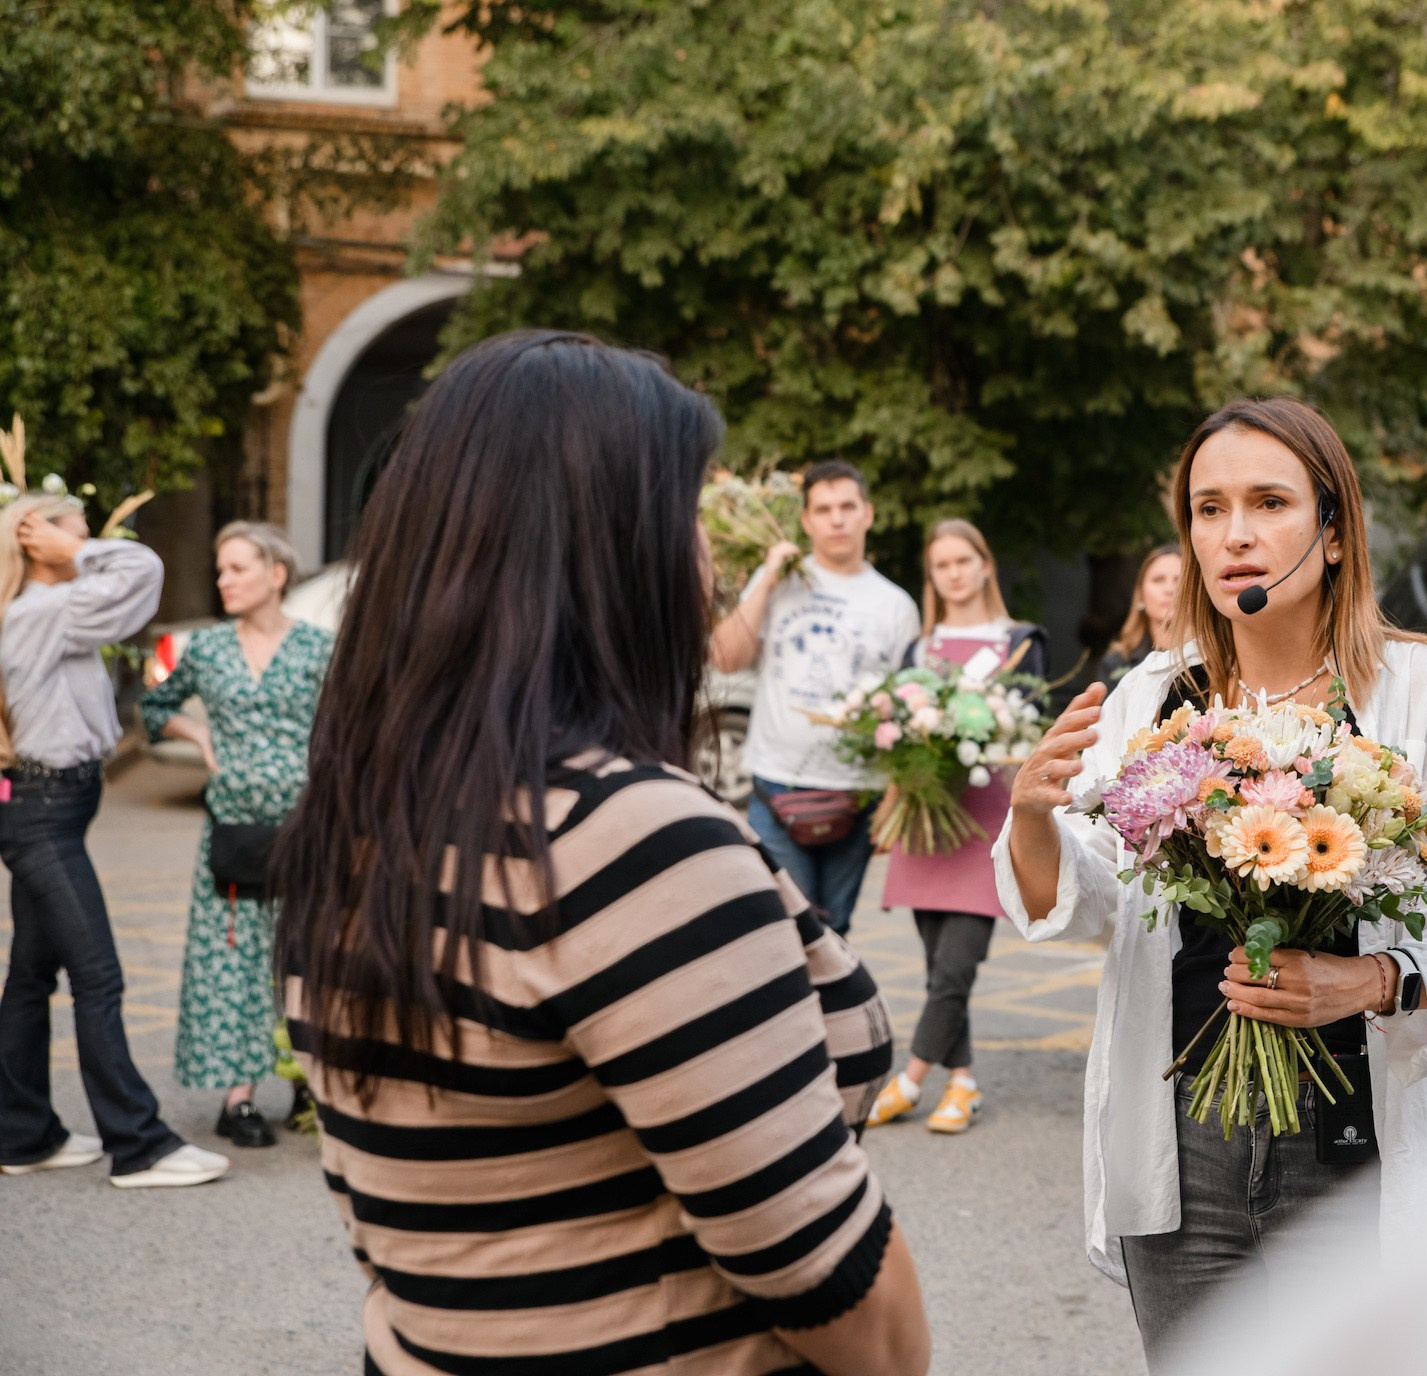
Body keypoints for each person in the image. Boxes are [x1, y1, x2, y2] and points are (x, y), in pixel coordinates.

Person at [274, 331, 927, 1376]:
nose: (707, 563)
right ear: (613, 553)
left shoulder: (359, 821)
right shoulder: (633, 844)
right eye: (691, 516)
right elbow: (835, 1284)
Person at [995, 396, 1427, 1365]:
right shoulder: (1151, 697)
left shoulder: (1418, 692)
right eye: (1208, 509)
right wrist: (1032, 816)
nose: (1234, 534)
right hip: (1185, 1148)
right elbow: (1091, 900)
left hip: (1359, 1156)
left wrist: (1367, 982)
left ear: (1335, 532)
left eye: (1269, 502)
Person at [0, 495, 228, 1187]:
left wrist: (68, 549)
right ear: (38, 542)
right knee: (98, 976)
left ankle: (21, 1135)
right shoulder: (46, 612)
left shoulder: (44, 612)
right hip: (43, 815)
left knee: (32, 976)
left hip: (47, 808)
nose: (89, 540)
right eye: (77, 528)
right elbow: (142, 571)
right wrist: (74, 554)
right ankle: (138, 1145)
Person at [141, 522, 334, 1149]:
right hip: (232, 833)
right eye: (220, 569)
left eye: (237, 568)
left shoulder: (320, 648)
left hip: (305, 831)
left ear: (276, 574)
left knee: (307, 957)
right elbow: (154, 708)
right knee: (232, 962)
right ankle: (239, 1098)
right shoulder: (207, 648)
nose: (223, 580)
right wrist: (197, 733)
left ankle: (308, 1084)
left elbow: (353, 725)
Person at [869, 519, 1047, 1135]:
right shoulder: (919, 651)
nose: (954, 573)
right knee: (937, 970)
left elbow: (1030, 731)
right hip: (927, 822)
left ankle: (909, 1080)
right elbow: (898, 741)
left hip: (988, 824)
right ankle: (963, 1083)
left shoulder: (1019, 642)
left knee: (955, 969)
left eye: (963, 560)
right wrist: (891, 804)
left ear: (984, 564)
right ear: (932, 576)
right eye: (941, 565)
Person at [710, 460, 920, 934]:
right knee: (784, 926)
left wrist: (895, 796)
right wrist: (766, 577)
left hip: (857, 794)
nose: (837, 519)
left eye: (847, 506)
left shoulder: (896, 606)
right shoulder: (778, 581)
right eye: (823, 510)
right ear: (806, 521)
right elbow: (725, 658)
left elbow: (909, 712)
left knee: (834, 931)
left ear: (868, 514)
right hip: (775, 785)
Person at [1099, 543, 1181, 687]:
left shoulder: (1212, 660)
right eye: (1158, 580)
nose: (1169, 589)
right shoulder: (1116, 663)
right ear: (1141, 594)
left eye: (1179, 580)